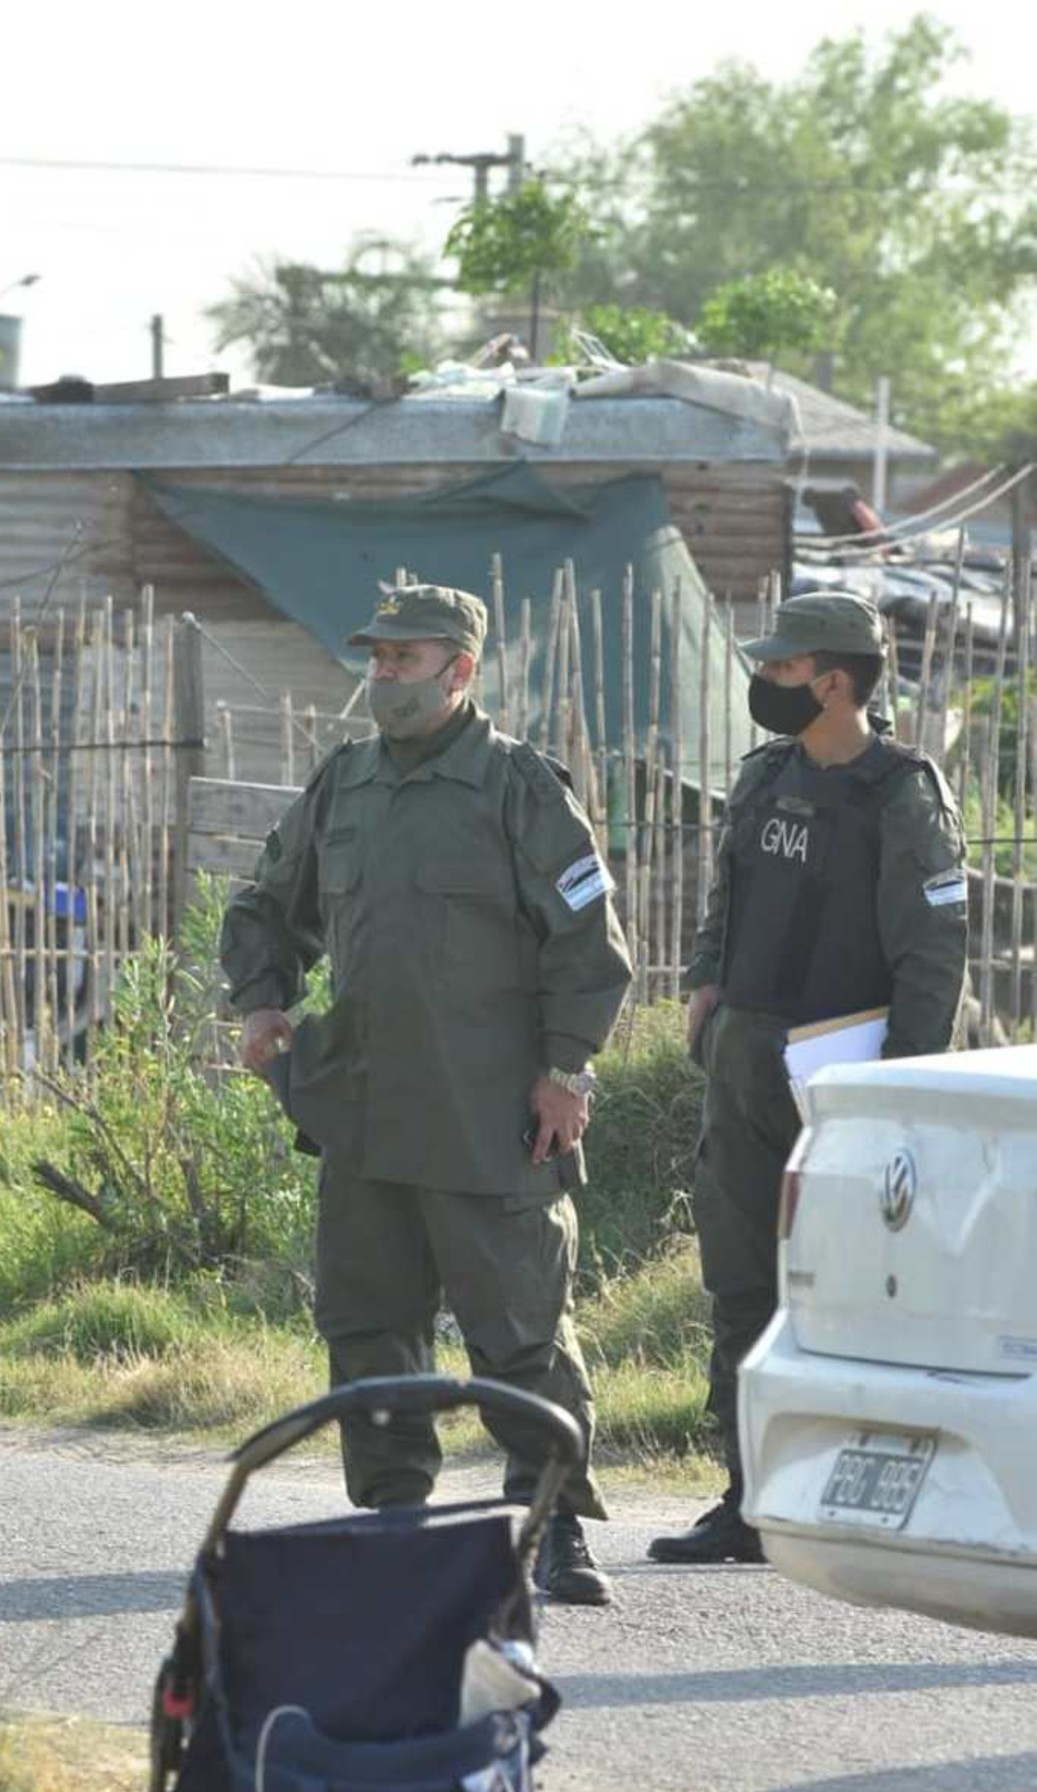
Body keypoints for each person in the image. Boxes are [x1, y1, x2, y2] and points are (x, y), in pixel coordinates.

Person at [220, 584, 633, 1605]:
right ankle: (395, 1516)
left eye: (403, 659)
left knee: (519, 1325)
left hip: (488, 1109)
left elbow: (589, 945)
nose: (382, 675)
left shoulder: (517, 787)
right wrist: (263, 1001)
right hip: (363, 1107)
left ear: (459, 670)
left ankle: (554, 1523)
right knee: (367, 1326)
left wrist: (565, 1067)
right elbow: (266, 905)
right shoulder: (344, 784)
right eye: (375, 657)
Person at [650, 590, 968, 1567]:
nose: (764, 681)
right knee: (741, 1276)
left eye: (782, 668)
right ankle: (746, 1495)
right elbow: (724, 894)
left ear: (833, 679)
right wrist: (705, 978)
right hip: (745, 1065)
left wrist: (894, 1095)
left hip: (845, 1076)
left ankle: (869, 1491)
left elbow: (932, 954)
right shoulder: (759, 777)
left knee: (850, 1285)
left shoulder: (900, 794)